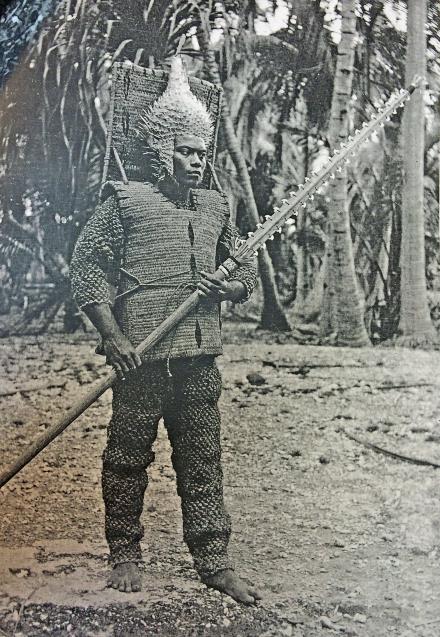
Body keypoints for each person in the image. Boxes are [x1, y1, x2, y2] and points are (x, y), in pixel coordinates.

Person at [69, 57, 260, 604]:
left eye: (202, 153)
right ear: (159, 153)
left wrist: (226, 289)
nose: (196, 163)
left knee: (202, 461)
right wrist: (114, 337)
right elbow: (86, 269)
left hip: (198, 362)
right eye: (185, 152)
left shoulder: (216, 206)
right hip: (142, 361)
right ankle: (124, 552)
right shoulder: (125, 202)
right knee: (127, 458)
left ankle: (214, 559)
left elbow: (244, 270)